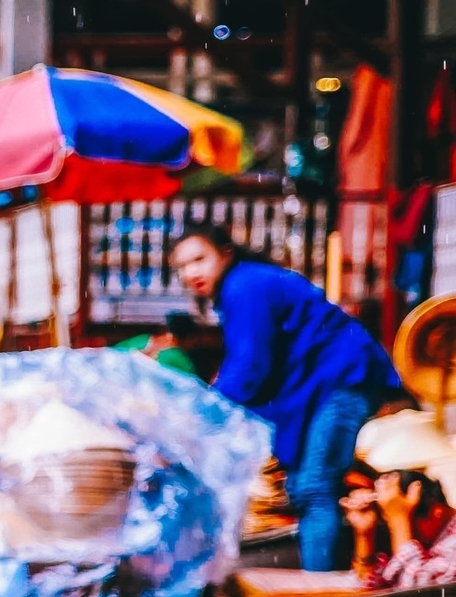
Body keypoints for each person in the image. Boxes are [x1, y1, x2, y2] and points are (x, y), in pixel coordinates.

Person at [170, 223, 399, 570]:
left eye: (199, 259)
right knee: (304, 486)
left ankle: (318, 594)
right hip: (327, 383)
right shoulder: (242, 286)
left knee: (314, 486)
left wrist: (200, 415)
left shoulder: (244, 287)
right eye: (182, 267)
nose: (191, 273)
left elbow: (249, 368)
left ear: (226, 253)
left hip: (343, 379)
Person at [342, 410, 456, 591]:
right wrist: (365, 535)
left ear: (435, 512)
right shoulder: (420, 538)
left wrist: (400, 521)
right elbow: (367, 587)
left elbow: (418, 593)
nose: (407, 535)